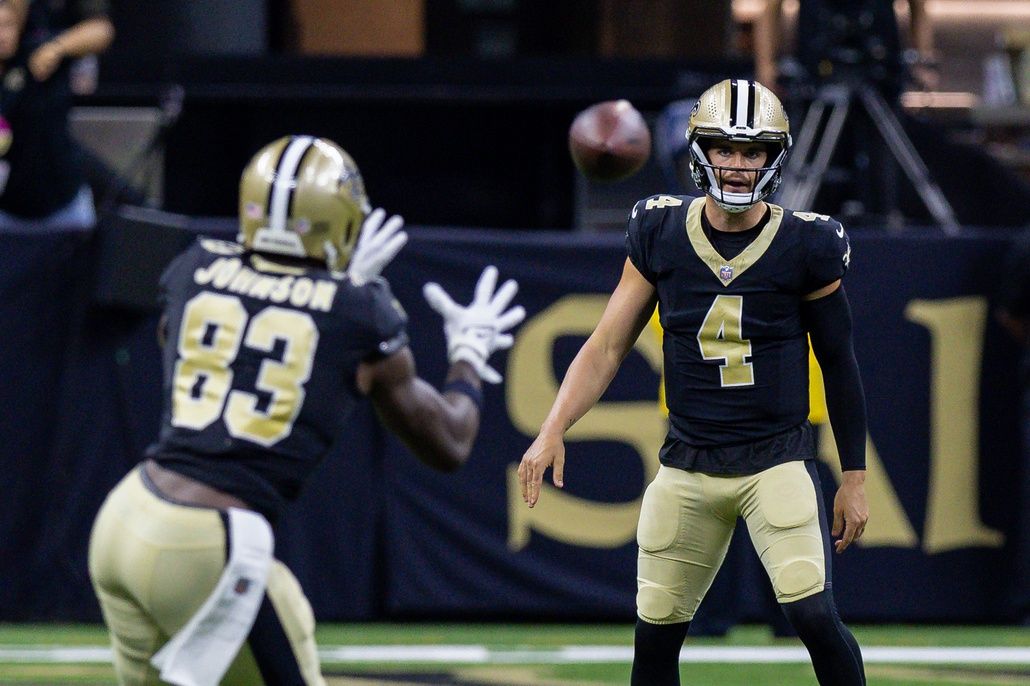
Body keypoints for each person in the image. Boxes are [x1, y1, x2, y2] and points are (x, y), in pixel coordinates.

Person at [88, 135, 525, 685]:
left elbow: (188, 346)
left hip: (126, 517)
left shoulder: (193, 266)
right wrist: (467, 354)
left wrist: (313, 296)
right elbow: (449, 443)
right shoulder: (360, 312)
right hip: (207, 544)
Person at [519, 79, 869, 685]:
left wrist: (855, 478)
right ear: (698, 149)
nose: (737, 166)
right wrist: (553, 427)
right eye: (725, 149)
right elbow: (606, 345)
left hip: (774, 461)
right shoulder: (659, 230)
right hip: (686, 463)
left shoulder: (806, 242)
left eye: (753, 151)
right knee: (654, 638)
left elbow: (839, 361)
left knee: (813, 616)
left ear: (774, 156)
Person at [0, 0, 94, 229]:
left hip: (65, 202)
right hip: (9, 211)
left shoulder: (39, 53)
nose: (2, 35)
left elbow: (101, 31)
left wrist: (58, 48)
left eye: (8, 25)